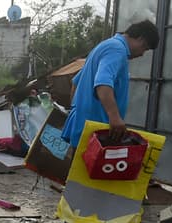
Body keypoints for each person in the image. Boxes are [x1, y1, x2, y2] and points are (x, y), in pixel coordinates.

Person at [60, 19, 159, 147]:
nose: (141, 54)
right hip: (96, 133)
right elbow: (102, 82)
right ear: (140, 39)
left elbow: (76, 82)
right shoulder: (117, 50)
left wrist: (77, 111)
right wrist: (115, 117)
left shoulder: (105, 45)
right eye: (144, 48)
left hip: (85, 127)